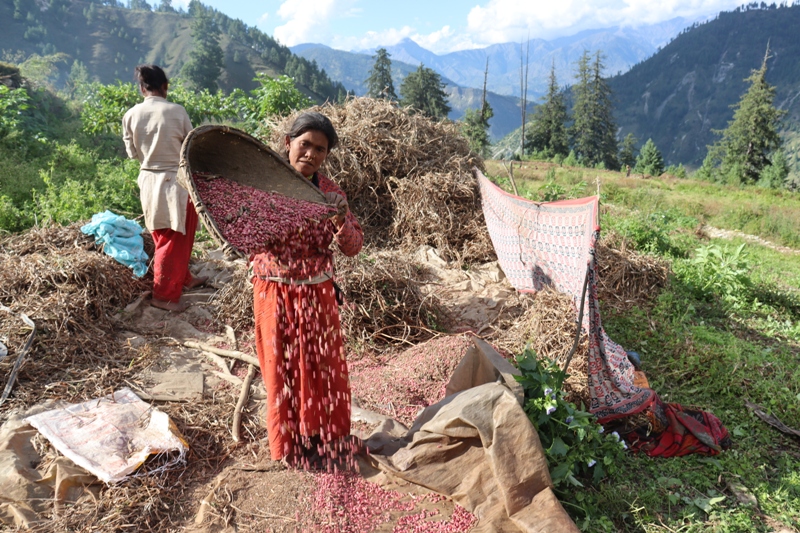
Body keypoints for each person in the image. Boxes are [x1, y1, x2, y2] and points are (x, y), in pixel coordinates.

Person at [251, 112, 363, 466]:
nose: (311, 154)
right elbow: (243, 233)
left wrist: (340, 220)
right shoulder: (262, 186)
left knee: (321, 368)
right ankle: (288, 445)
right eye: (305, 144)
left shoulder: (330, 193)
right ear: (288, 143)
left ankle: (322, 436)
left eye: (320, 149)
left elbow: (353, 246)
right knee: (281, 367)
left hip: (317, 293)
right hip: (275, 291)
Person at [122, 64, 206, 312]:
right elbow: (191, 148)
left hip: (148, 180)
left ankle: (184, 278)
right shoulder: (177, 112)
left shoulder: (130, 115)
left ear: (141, 89)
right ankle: (165, 296)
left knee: (162, 235)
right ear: (165, 87)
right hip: (175, 183)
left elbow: (132, 153)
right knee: (175, 239)